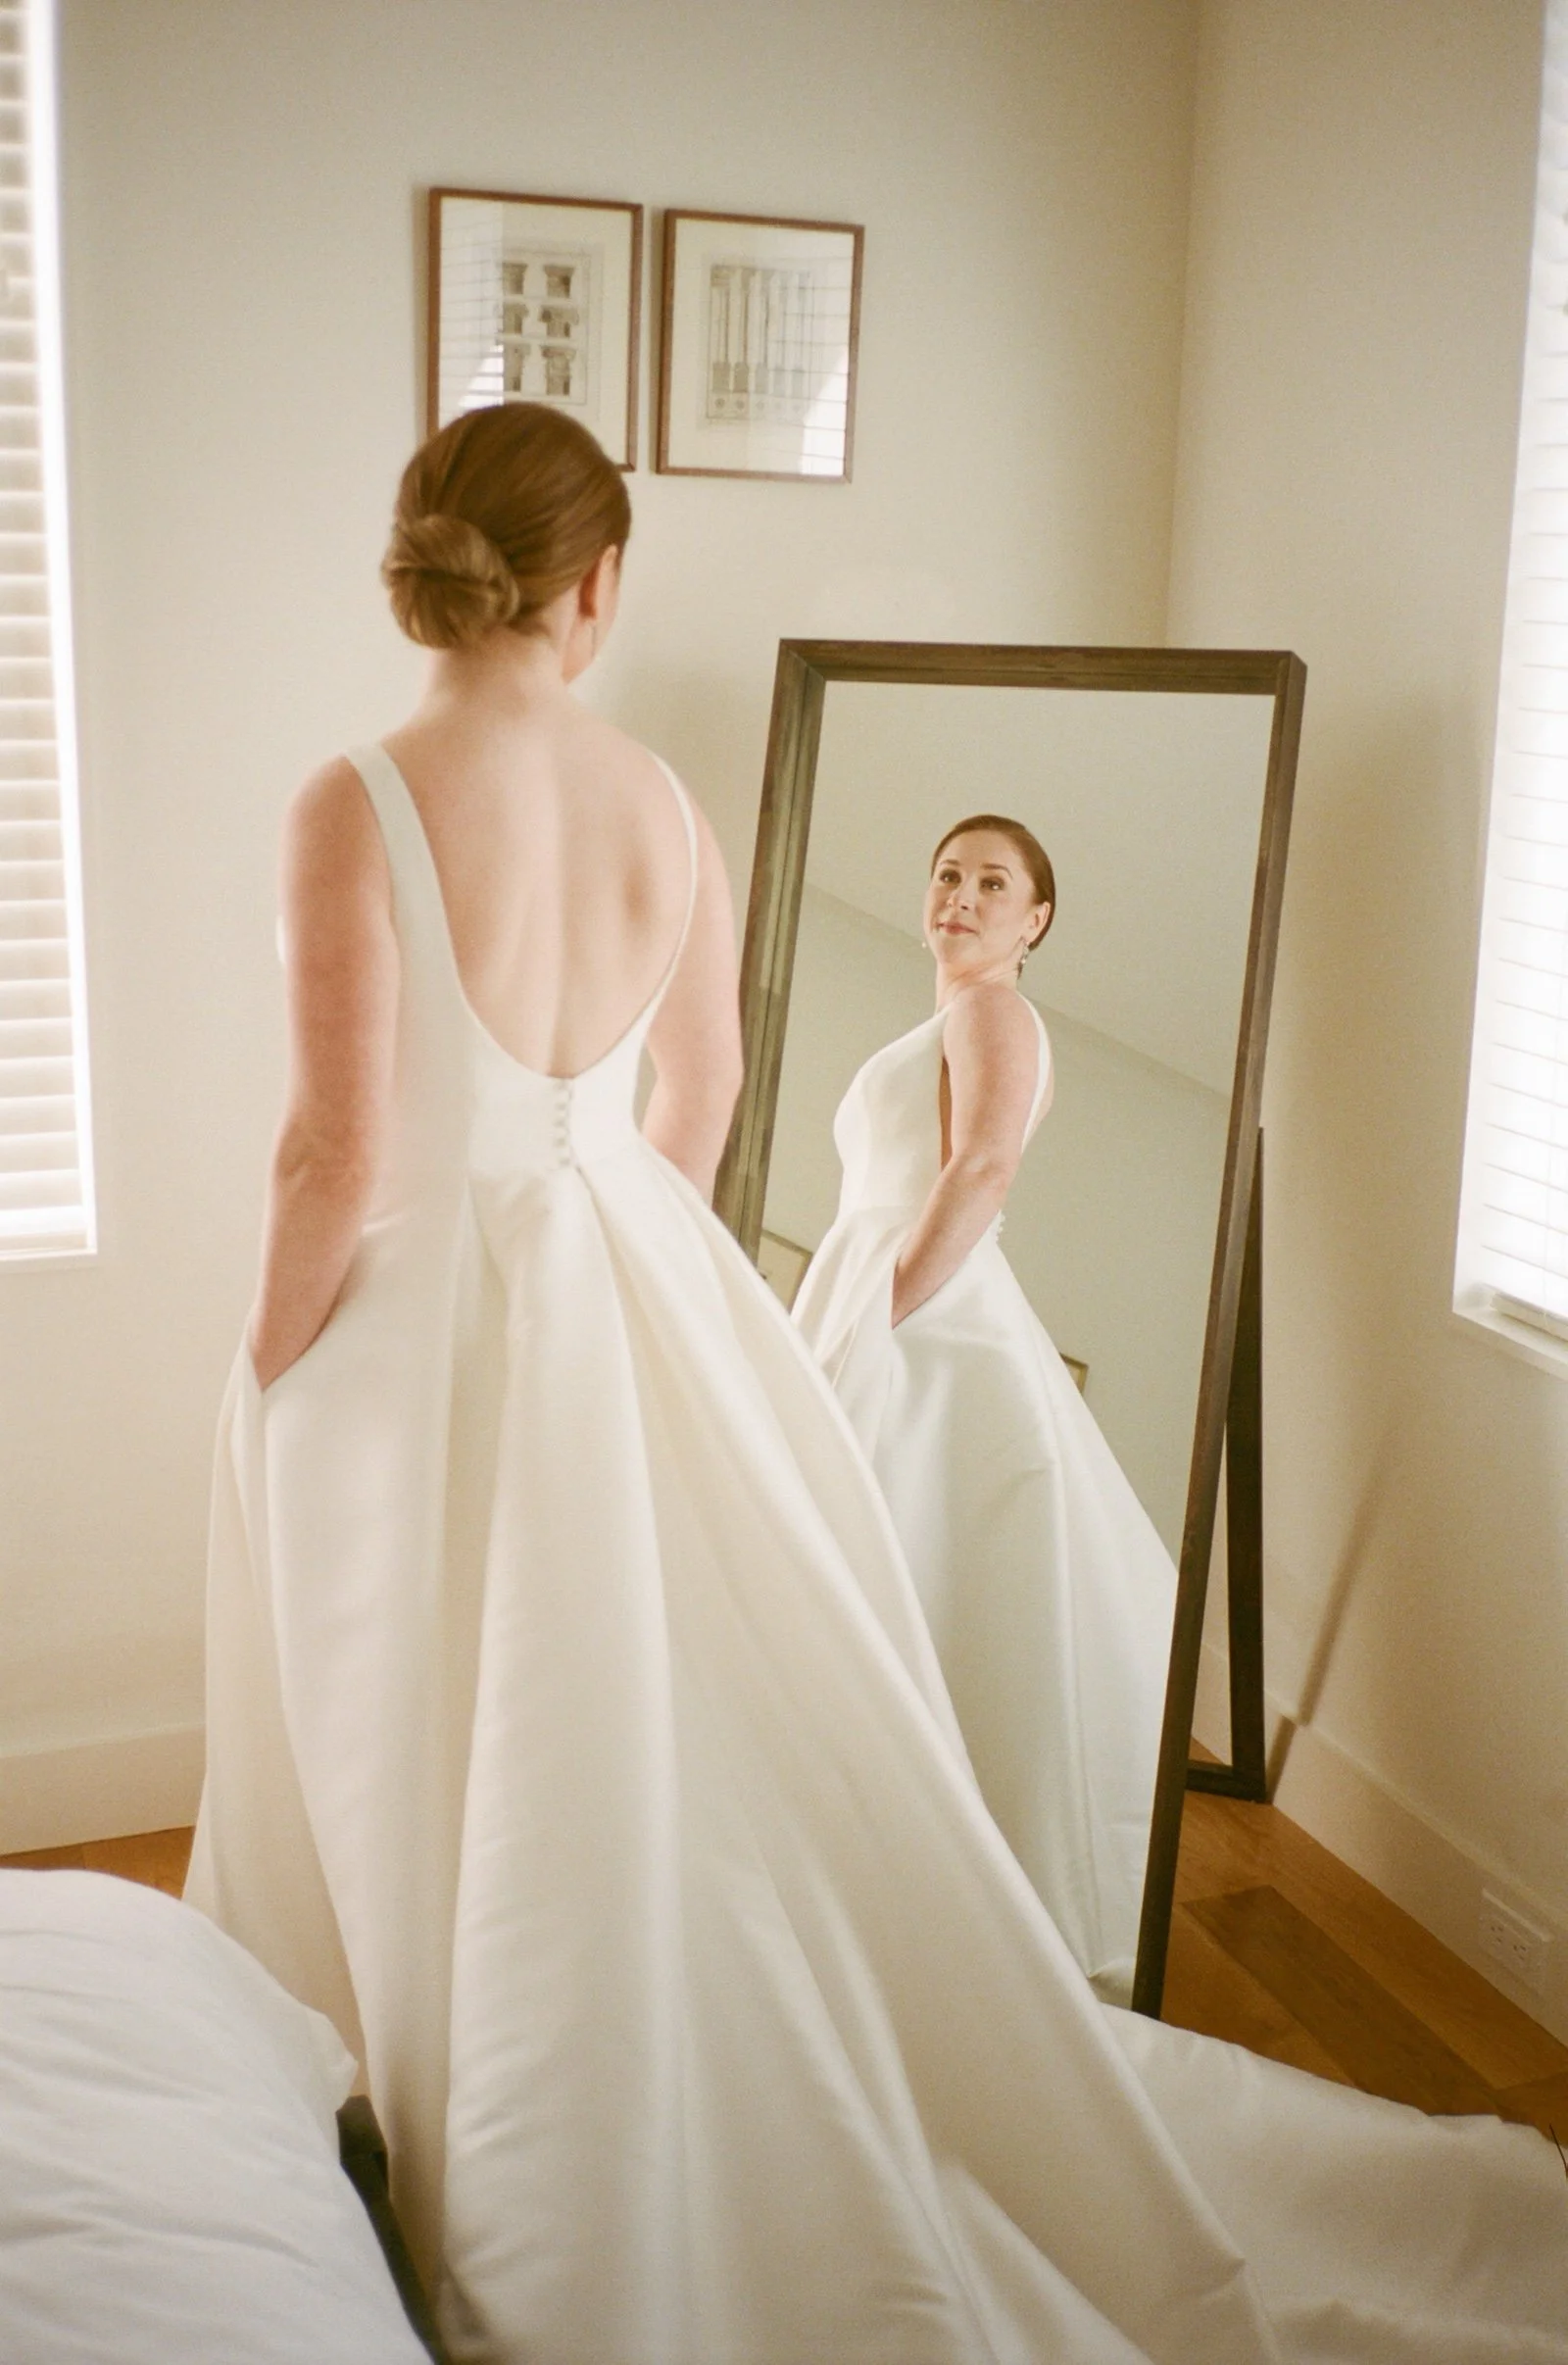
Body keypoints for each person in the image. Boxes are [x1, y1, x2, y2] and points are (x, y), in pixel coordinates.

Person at [185, 402, 1568, 2365]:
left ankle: (392, 2100)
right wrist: (609, 1265)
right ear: (593, 587)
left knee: (412, 1693)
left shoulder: (357, 793)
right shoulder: (658, 801)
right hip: (619, 1279)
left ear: (427, 562)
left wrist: (264, 1362)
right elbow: (704, 1099)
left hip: (414, 1314)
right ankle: (604, 2061)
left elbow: (332, 1150)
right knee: (621, 1719)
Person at [792, 817, 1176, 1998]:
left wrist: (885, 1311)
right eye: (949, 874)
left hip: (924, 1308)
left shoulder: (993, 1011)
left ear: (1035, 921)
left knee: (888, 1568)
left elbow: (983, 1167)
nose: (960, 896)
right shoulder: (956, 1011)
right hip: (891, 1281)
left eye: (993, 883)